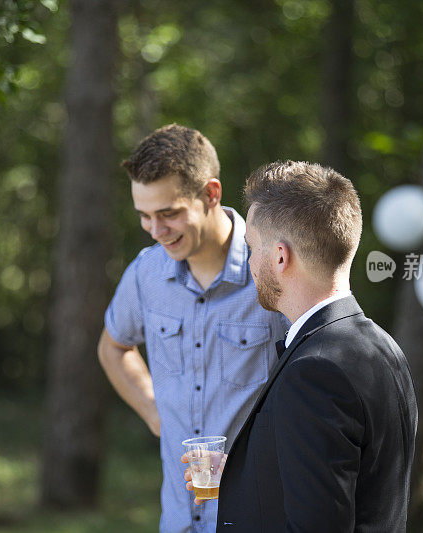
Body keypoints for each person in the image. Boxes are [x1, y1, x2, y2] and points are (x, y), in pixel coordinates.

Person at [208, 160, 418, 531]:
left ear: (280, 256)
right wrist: (249, 471)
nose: (250, 265)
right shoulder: (382, 347)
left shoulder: (316, 370)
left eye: (252, 249)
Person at [99, 124, 288, 532]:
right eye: (145, 216)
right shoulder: (145, 274)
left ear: (211, 194)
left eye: (169, 213)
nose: (155, 230)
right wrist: (155, 413)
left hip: (257, 519)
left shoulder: (273, 271)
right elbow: (113, 347)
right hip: (179, 520)